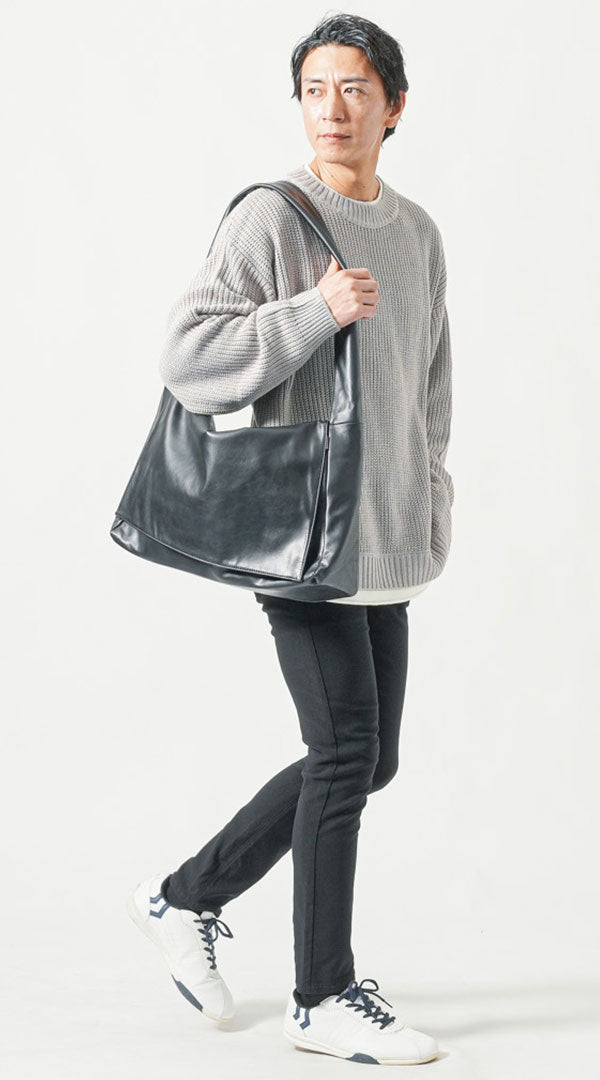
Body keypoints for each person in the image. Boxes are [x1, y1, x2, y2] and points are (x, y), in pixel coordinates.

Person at [127, 13, 453, 1067]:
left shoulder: (418, 233)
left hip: (386, 538)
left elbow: (430, 385)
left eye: (354, 89)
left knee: (368, 759)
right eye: (315, 89)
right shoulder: (274, 217)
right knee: (347, 752)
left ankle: (187, 897)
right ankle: (320, 995)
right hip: (305, 537)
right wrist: (313, 311)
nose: (332, 109)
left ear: (393, 107)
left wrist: (429, 497)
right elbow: (188, 356)